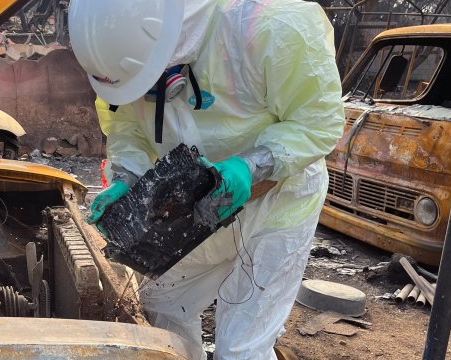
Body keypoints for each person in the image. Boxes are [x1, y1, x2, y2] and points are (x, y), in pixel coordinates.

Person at [69, 0, 345, 359]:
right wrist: (126, 175)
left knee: (241, 348)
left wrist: (252, 165)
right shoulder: (122, 52)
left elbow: (318, 122)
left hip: (276, 204)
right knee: (159, 310)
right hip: (191, 209)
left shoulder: (272, 26)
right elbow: (125, 125)